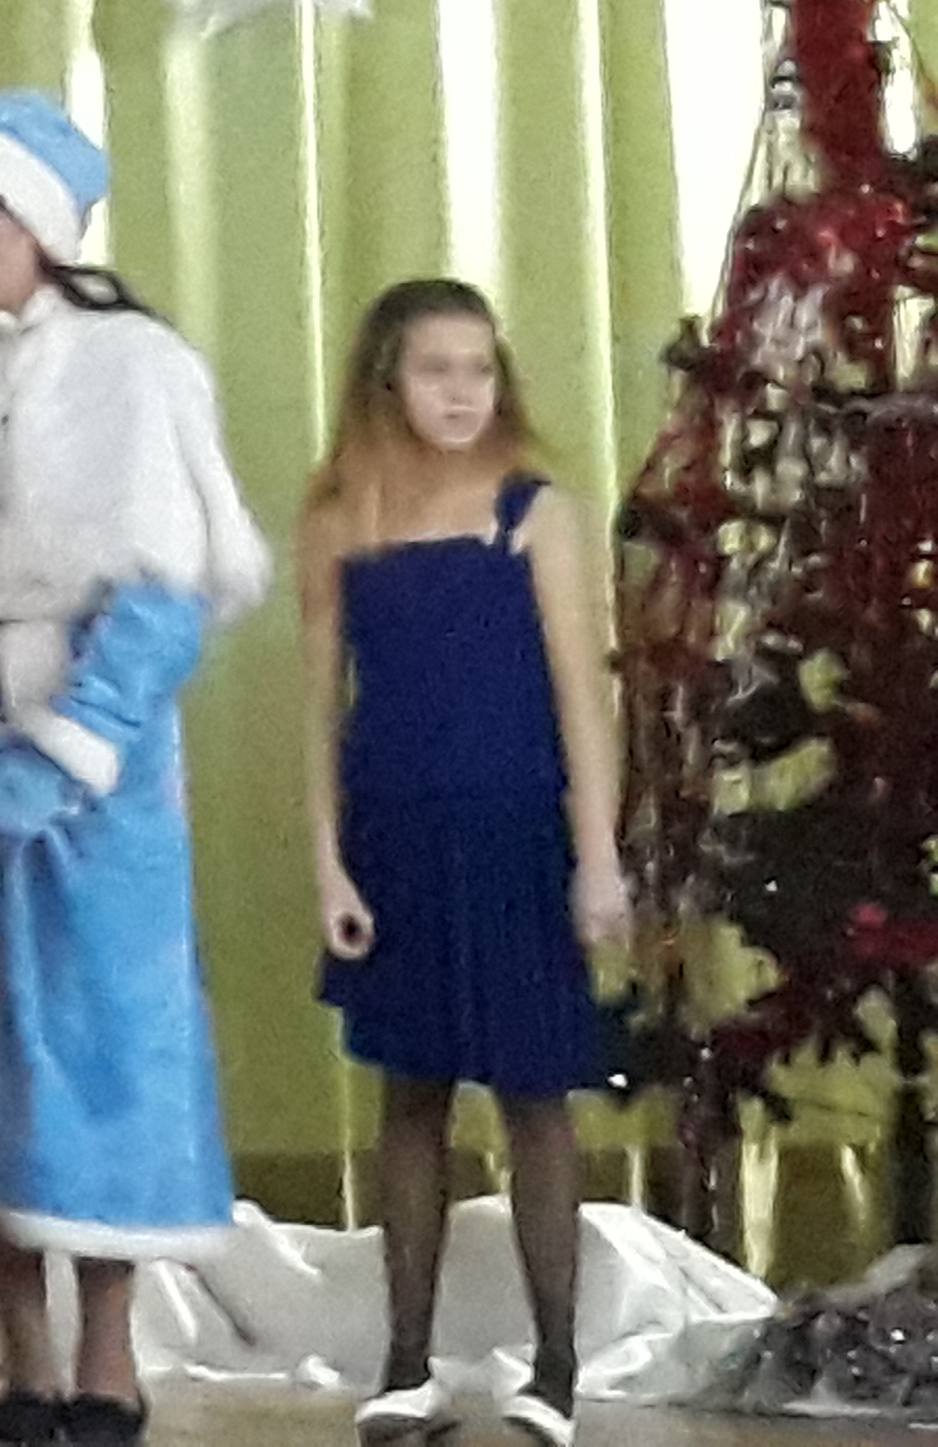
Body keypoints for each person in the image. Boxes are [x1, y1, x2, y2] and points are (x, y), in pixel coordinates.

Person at [0, 90, 269, 1447]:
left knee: (100, 1054)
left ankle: (109, 1361)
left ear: (38, 218)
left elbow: (166, 593)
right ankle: (23, 1362)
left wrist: (66, 750)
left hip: (100, 782)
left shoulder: (136, 369)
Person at [299, 280, 628, 1447]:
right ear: (387, 378)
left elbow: (584, 703)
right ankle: (405, 1364)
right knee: (412, 1096)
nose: (461, 391)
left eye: (479, 369)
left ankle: (556, 1368)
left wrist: (598, 858)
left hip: (517, 836)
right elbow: (320, 708)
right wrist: (329, 865)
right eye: (436, 369)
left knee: (535, 1098)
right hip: (396, 840)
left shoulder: (535, 513)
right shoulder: (341, 518)